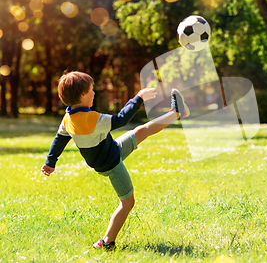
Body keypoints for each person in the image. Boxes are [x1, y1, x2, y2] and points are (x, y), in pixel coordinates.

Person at [41, 71, 190, 250]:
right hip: (111, 164)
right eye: (91, 90)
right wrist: (138, 98)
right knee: (128, 203)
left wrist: (50, 162)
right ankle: (107, 241)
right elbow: (121, 119)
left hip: (113, 149)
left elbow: (59, 138)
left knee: (141, 131)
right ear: (82, 95)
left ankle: (177, 113)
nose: (94, 93)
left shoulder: (68, 119)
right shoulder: (91, 119)